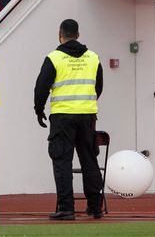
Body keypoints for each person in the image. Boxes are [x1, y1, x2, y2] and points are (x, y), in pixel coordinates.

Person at [33, 18, 104, 221]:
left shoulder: (54, 58)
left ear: (60, 35)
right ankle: (95, 207)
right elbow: (98, 87)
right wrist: (86, 104)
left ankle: (66, 208)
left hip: (62, 117)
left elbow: (41, 88)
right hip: (87, 115)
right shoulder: (93, 57)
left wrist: (39, 110)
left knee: (62, 160)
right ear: (78, 35)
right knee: (89, 160)